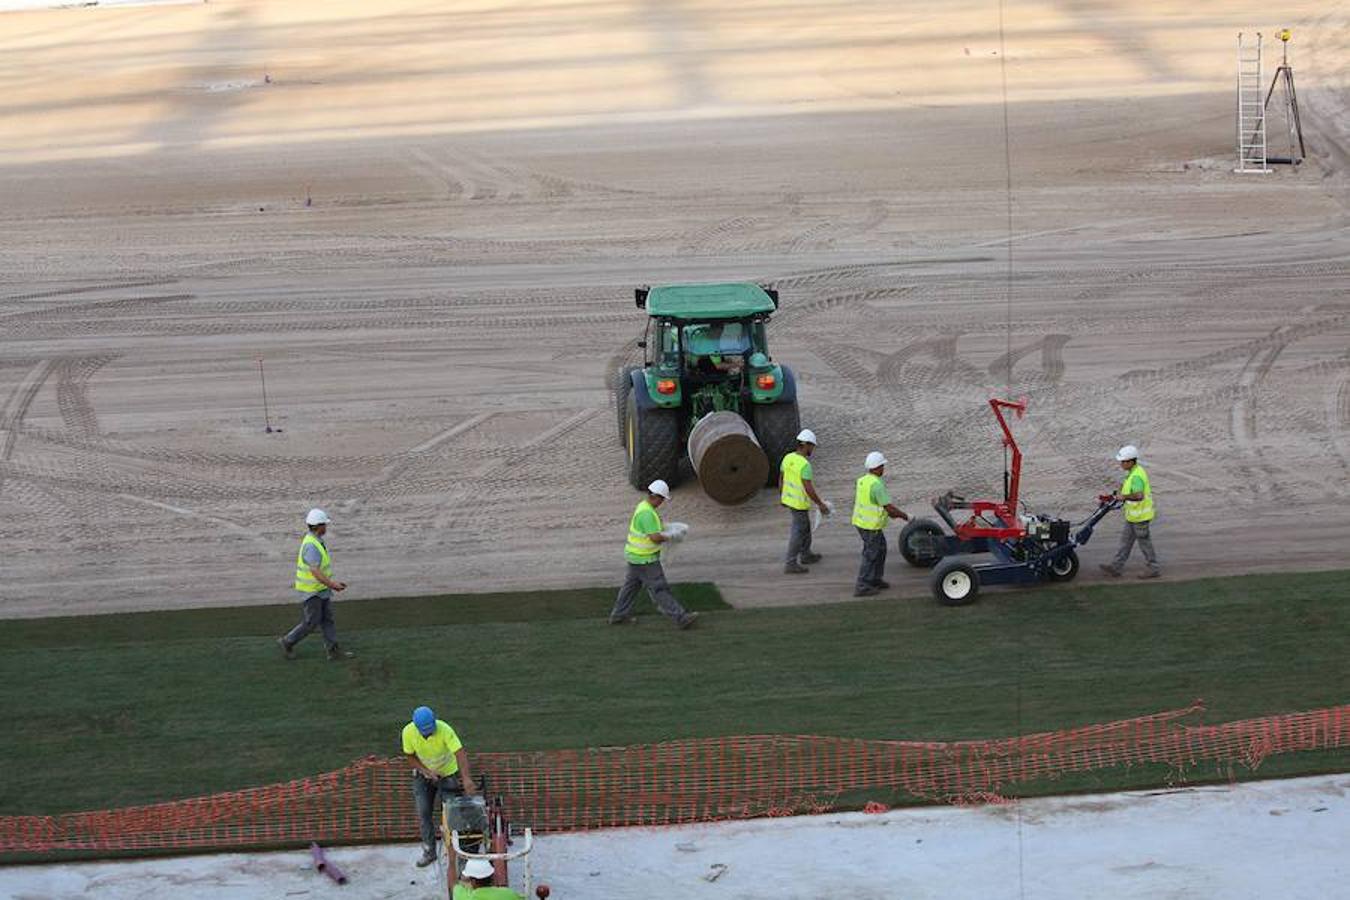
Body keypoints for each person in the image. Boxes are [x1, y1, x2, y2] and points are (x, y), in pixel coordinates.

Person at [608, 480, 698, 629]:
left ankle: (618, 615)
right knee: (659, 588)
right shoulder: (647, 513)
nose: (662, 502)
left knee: (630, 588)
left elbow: (652, 530)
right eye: (662, 499)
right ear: (656, 497)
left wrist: (665, 529)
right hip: (646, 559)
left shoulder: (642, 507)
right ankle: (681, 618)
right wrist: (671, 536)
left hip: (635, 557)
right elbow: (655, 538)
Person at [404, 705, 479, 868]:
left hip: (448, 774)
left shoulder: (445, 730)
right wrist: (425, 772)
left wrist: (466, 779)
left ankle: (459, 853)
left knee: (452, 813)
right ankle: (429, 851)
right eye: (425, 731)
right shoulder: (408, 732)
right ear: (416, 727)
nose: (429, 732)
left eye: (431, 729)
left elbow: (460, 753)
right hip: (424, 775)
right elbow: (409, 756)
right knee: (423, 812)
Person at [277, 508, 352, 660]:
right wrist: (333, 585)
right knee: (311, 622)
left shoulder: (316, 541)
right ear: (319, 526)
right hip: (312, 591)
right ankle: (287, 641)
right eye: (325, 524)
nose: (326, 527)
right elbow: (315, 571)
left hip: (320, 589)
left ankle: (333, 651)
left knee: (327, 619)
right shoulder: (312, 545)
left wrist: (331, 584)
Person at [851, 451, 910, 597]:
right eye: (882, 466)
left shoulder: (862, 480)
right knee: (871, 554)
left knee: (881, 549)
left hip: (861, 522)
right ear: (877, 467)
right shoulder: (877, 485)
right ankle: (862, 585)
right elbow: (889, 508)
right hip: (871, 526)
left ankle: (875, 579)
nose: (884, 468)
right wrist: (906, 516)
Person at [1099, 445, 1161, 579]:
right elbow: (1129, 487)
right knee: (1125, 542)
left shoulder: (1137, 476)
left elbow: (1139, 495)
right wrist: (1120, 491)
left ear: (1131, 461)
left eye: (1123, 462)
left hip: (1140, 516)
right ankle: (1116, 567)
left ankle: (1153, 568)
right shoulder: (1133, 472)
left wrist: (1124, 497)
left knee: (1144, 543)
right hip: (1133, 516)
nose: (1121, 464)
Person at [780, 429, 832, 574]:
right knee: (798, 531)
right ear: (807, 445)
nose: (812, 449)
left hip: (789, 499)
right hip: (798, 503)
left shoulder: (787, 458)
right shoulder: (804, 465)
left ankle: (806, 554)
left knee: (805, 527)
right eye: (812, 446)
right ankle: (790, 563)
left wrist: (782, 497)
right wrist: (820, 504)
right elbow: (808, 488)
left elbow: (781, 478)